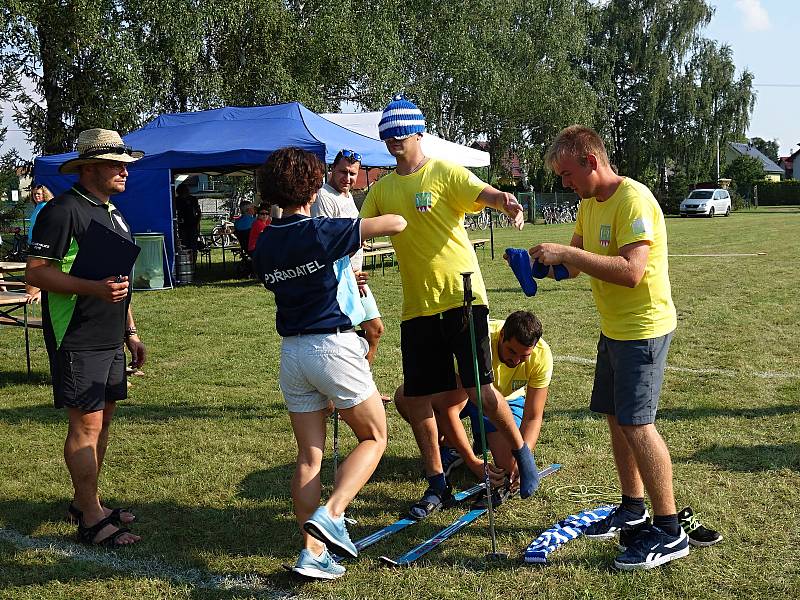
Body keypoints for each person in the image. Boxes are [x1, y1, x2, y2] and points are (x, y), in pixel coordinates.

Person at [360, 93, 540, 520]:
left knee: (479, 386)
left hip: (462, 299)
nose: (393, 143)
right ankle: (436, 482)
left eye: (401, 135)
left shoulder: (443, 171)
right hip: (416, 308)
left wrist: (507, 202)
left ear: (419, 133)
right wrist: (351, 266)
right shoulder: (382, 188)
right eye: (388, 137)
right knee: (421, 397)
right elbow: (359, 230)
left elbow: (485, 193)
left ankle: (522, 453)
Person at [529, 124, 687, 570]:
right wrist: (538, 265)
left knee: (639, 425)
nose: (564, 183)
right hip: (613, 329)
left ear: (590, 162)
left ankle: (670, 530)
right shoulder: (587, 205)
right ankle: (632, 507)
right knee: (617, 418)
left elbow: (631, 271)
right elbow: (573, 268)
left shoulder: (633, 199)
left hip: (644, 328)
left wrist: (569, 255)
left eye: (566, 174)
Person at [251, 147, 406, 580]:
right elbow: (395, 223)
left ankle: (312, 552)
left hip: (292, 354)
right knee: (375, 436)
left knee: (308, 458)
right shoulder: (321, 230)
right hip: (332, 347)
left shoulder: (265, 242)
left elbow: (288, 277)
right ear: (314, 186)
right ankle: (334, 512)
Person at [25, 128, 146, 548]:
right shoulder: (61, 211)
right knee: (86, 422)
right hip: (75, 334)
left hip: (110, 334)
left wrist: (130, 330)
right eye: (117, 165)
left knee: (104, 418)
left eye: (125, 165)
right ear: (89, 168)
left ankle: (86, 501)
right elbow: (36, 272)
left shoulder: (113, 212)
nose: (125, 172)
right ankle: (91, 517)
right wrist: (93, 289)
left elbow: (119, 277)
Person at [395, 310, 552, 492]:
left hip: (505, 403)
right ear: (502, 336)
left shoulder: (542, 356)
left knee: (508, 467)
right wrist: (473, 463)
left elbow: (533, 416)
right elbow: (450, 411)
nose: (516, 360)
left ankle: (481, 438)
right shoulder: (478, 343)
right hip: (467, 394)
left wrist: (524, 460)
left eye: (524, 356)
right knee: (405, 396)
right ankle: (451, 447)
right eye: (511, 351)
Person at [312, 149, 386, 370]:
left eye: (353, 174)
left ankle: (363, 388)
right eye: (343, 172)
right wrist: (350, 273)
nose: (348, 178)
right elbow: (325, 245)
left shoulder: (346, 196)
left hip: (354, 278)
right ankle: (347, 396)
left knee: (375, 330)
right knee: (345, 341)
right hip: (339, 279)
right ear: (331, 169)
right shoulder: (324, 197)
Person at [174, 182, 202, 252]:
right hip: (182, 225)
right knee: (184, 244)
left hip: (192, 225)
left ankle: (193, 259)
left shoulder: (193, 199)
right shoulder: (177, 200)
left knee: (193, 244)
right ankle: (186, 259)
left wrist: (197, 224)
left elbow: (198, 212)